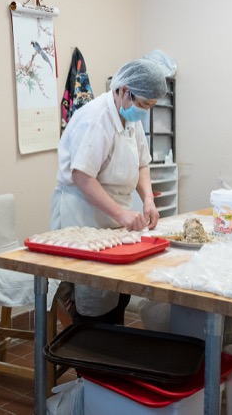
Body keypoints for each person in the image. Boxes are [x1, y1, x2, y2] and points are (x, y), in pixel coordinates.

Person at [51, 59, 167, 324]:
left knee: (117, 294)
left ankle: (111, 353)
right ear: (125, 91)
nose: (145, 112)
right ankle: (89, 357)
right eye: (144, 105)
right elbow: (81, 175)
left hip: (116, 217)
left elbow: (142, 163)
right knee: (91, 298)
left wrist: (147, 200)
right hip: (84, 217)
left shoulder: (129, 116)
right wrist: (121, 214)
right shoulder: (96, 118)